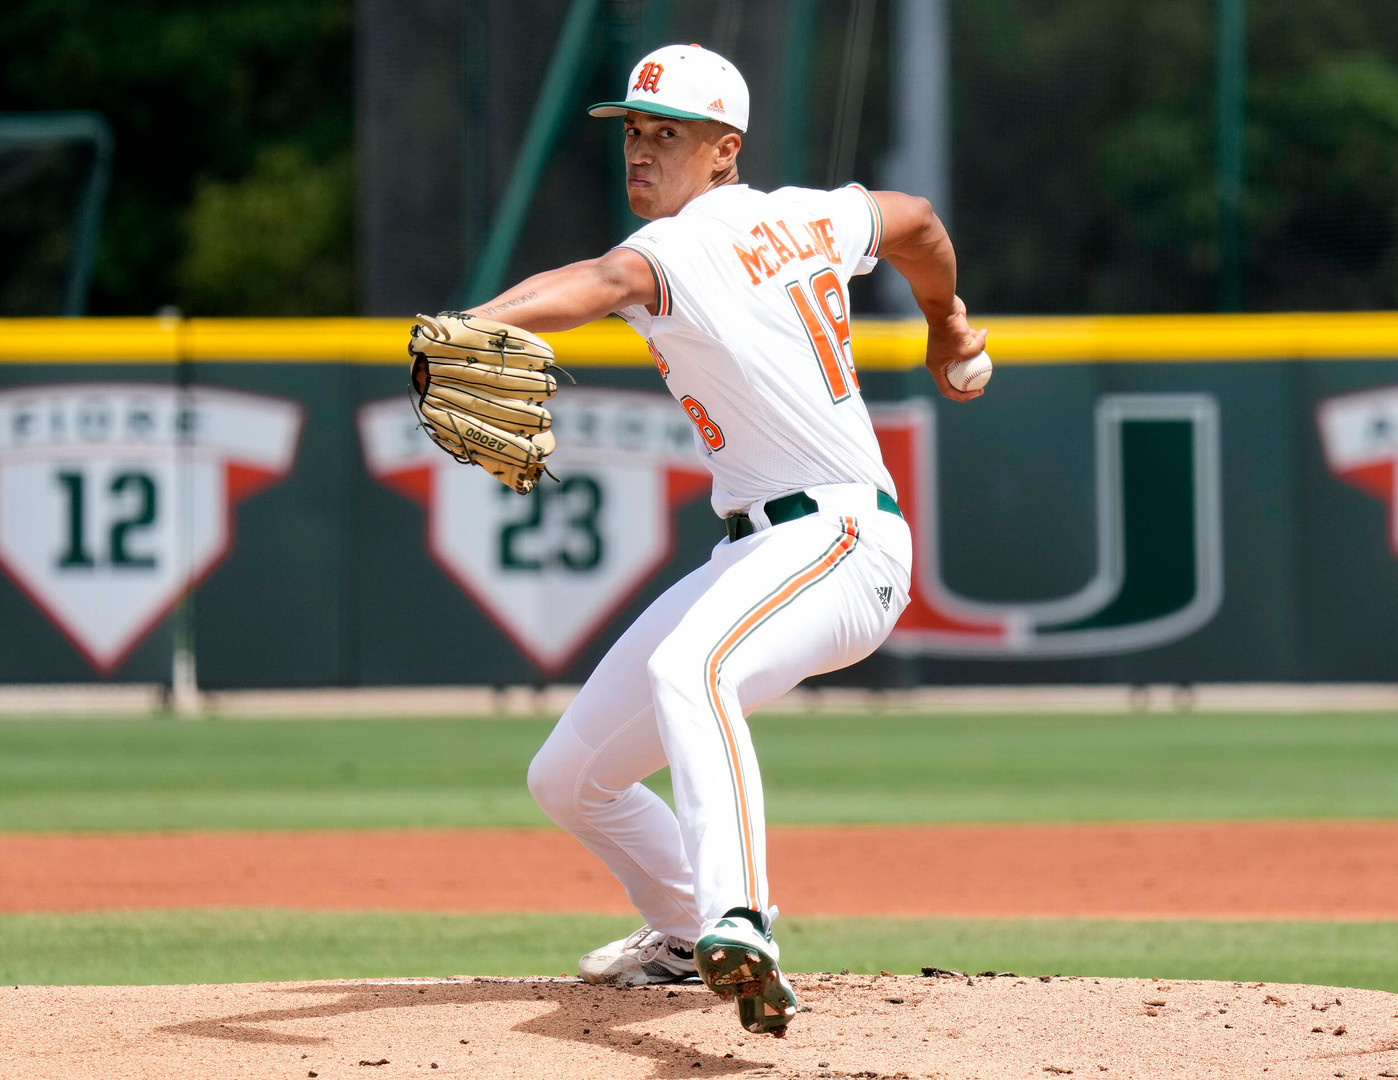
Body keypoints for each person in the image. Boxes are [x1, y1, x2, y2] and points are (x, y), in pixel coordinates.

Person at [464, 43, 987, 1036]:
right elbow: (914, 221)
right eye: (633, 130)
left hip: (841, 537)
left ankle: (738, 916)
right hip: (762, 549)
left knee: (689, 670)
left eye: (668, 132)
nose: (642, 150)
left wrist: (466, 324)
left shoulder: (681, 247)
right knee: (570, 777)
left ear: (723, 151)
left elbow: (598, 278)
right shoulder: (804, 215)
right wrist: (948, 321)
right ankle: (676, 931)